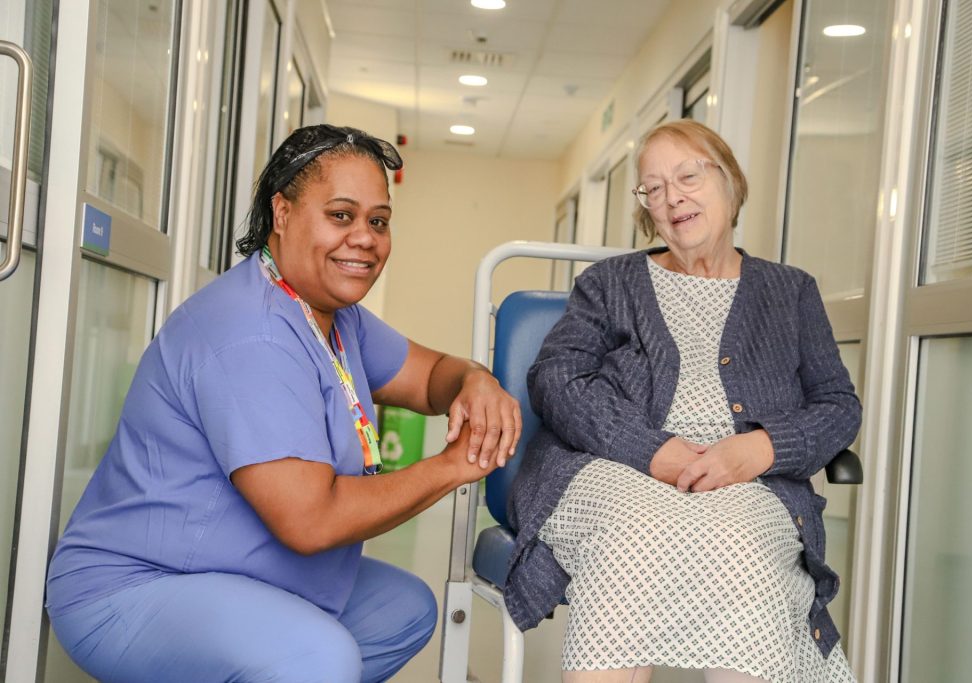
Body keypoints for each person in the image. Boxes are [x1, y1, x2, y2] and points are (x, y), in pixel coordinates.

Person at [45, 124, 522, 683]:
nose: (365, 237)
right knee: (320, 657)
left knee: (402, 611)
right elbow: (311, 521)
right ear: (283, 213)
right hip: (138, 586)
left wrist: (477, 381)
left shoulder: (331, 318)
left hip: (239, 572)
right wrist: (451, 467)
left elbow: (433, 376)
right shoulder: (251, 333)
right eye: (341, 215)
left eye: (379, 220)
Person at [505, 119, 862, 683]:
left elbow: (838, 404)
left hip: (747, 483)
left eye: (687, 176)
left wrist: (760, 450)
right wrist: (655, 451)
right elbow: (558, 377)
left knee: (743, 546)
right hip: (616, 468)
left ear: (730, 182)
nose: (672, 199)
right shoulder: (609, 283)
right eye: (653, 188)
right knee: (631, 533)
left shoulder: (791, 291)